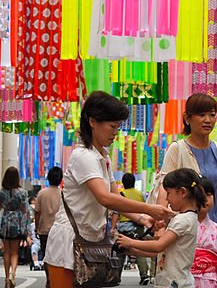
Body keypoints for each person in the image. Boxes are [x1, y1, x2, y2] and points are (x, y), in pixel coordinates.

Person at [44, 91, 171, 288]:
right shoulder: (83, 156)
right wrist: (149, 209)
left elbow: (114, 197)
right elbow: (104, 198)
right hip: (69, 242)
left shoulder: (102, 157)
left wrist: (141, 219)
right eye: (112, 126)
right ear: (93, 121)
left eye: (118, 127)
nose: (115, 133)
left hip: (89, 242)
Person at [158, 94, 217, 242]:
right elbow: (165, 190)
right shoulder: (177, 150)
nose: (208, 120)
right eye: (201, 115)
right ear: (187, 118)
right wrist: (161, 226)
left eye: (212, 115)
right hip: (188, 231)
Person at [117, 168, 203, 288]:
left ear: (182, 192)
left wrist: (131, 242)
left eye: (168, 193)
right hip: (173, 282)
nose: (166, 199)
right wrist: (133, 250)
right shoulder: (186, 218)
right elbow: (162, 253)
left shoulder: (183, 220)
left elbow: (158, 246)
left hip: (175, 284)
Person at [0, 166, 29, 288]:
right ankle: (13, 273)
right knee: (15, 252)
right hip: (17, 223)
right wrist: (25, 228)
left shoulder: (1, 192)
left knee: (6, 251)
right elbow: (26, 211)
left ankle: (7, 277)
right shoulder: (23, 193)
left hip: (5, 222)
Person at [116, 173, 152, 285]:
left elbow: (116, 212)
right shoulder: (140, 194)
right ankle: (144, 275)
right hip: (138, 226)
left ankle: (116, 276)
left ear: (123, 183)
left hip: (124, 227)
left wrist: (113, 227)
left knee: (120, 251)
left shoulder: (121, 194)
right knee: (140, 250)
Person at [33, 166, 62, 273]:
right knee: (58, 255)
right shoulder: (63, 194)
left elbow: (37, 212)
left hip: (44, 229)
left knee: (46, 254)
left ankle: (48, 277)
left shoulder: (42, 193)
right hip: (59, 230)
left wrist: (37, 227)